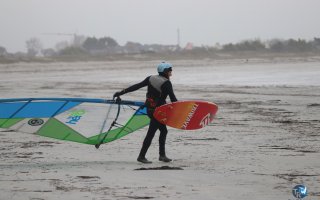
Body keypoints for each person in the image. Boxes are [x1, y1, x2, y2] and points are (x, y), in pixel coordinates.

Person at [113, 61, 178, 164]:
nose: (171, 72)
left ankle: (162, 155)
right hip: (158, 112)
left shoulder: (150, 78)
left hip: (150, 109)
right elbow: (173, 100)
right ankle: (142, 156)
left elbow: (136, 86)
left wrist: (121, 92)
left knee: (163, 131)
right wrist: (182, 109)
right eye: (170, 70)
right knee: (151, 133)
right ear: (165, 71)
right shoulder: (166, 83)